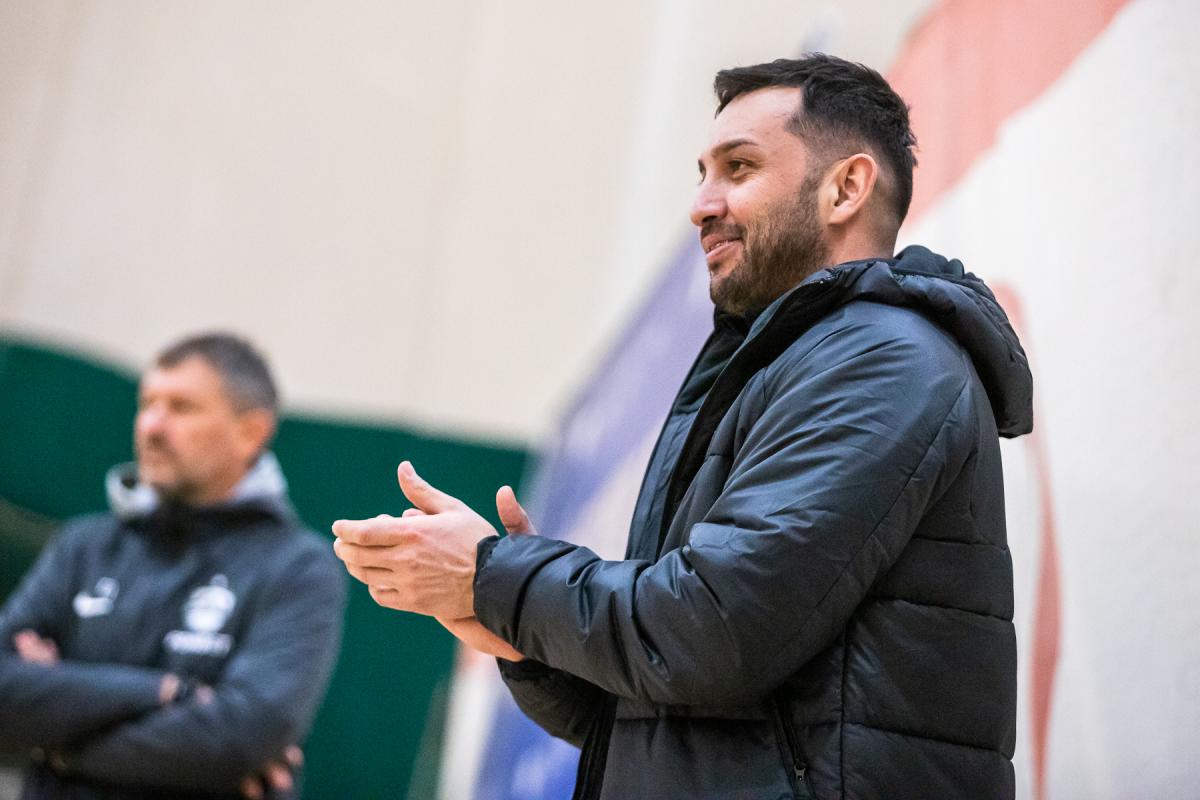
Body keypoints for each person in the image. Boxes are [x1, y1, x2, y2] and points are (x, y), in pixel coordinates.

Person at [333, 54, 1033, 799]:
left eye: (739, 167)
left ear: (846, 188)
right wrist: (513, 631)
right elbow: (657, 711)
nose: (701, 205)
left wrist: (494, 575)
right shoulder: (788, 365)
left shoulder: (884, 360)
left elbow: (712, 631)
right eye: (702, 174)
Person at [0, 333, 346, 799]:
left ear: (251, 432)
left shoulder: (298, 566)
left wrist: (57, 742)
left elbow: (239, 739)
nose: (152, 426)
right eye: (147, 404)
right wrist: (165, 692)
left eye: (181, 408)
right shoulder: (82, 545)